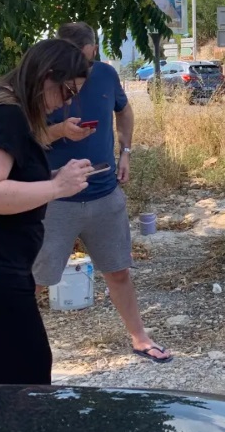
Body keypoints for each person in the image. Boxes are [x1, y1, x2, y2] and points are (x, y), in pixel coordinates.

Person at [33, 22, 172, 363]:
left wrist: (126, 153)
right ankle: (10, 346)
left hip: (104, 193)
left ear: (93, 50)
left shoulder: (107, 75)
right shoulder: (42, 84)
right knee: (35, 279)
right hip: (54, 199)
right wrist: (58, 131)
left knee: (118, 271)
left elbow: (124, 111)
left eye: (83, 59)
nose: (77, 69)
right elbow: (26, 138)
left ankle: (140, 338)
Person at [0, 39, 93, 385]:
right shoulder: (7, 114)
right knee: (27, 376)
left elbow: (11, 178)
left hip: (4, 268)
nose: (67, 102)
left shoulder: (3, 105)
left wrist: (54, 178)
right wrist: (56, 187)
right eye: (67, 91)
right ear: (48, 76)